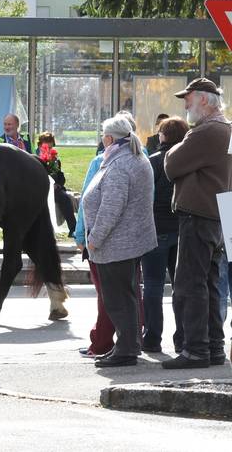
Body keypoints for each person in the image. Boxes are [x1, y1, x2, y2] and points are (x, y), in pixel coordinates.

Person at [163, 78, 232, 369]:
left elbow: (171, 164)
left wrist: (176, 153)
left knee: (191, 284)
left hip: (199, 214)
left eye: (188, 98)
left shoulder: (206, 131)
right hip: (219, 214)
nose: (185, 105)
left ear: (204, 99)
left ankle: (195, 350)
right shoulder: (227, 129)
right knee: (211, 284)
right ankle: (213, 348)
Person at [81, 115, 157, 368]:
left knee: (118, 299)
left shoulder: (120, 164)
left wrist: (94, 239)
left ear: (109, 138)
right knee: (126, 296)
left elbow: (111, 208)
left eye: (103, 136)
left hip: (116, 244)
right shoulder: (132, 157)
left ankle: (125, 350)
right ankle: (128, 346)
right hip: (127, 242)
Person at [142, 116, 189, 353]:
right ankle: (182, 338)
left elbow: (146, 196)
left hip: (156, 229)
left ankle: (152, 338)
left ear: (163, 136)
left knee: (152, 285)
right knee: (181, 286)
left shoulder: (153, 161)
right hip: (182, 228)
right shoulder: (189, 160)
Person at [36, 131, 77, 237]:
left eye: (51, 147)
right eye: (46, 147)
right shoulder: (35, 159)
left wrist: (58, 184)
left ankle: (73, 228)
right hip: (39, 189)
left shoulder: (55, 160)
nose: (49, 150)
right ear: (40, 146)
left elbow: (60, 176)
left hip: (55, 189)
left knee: (65, 198)